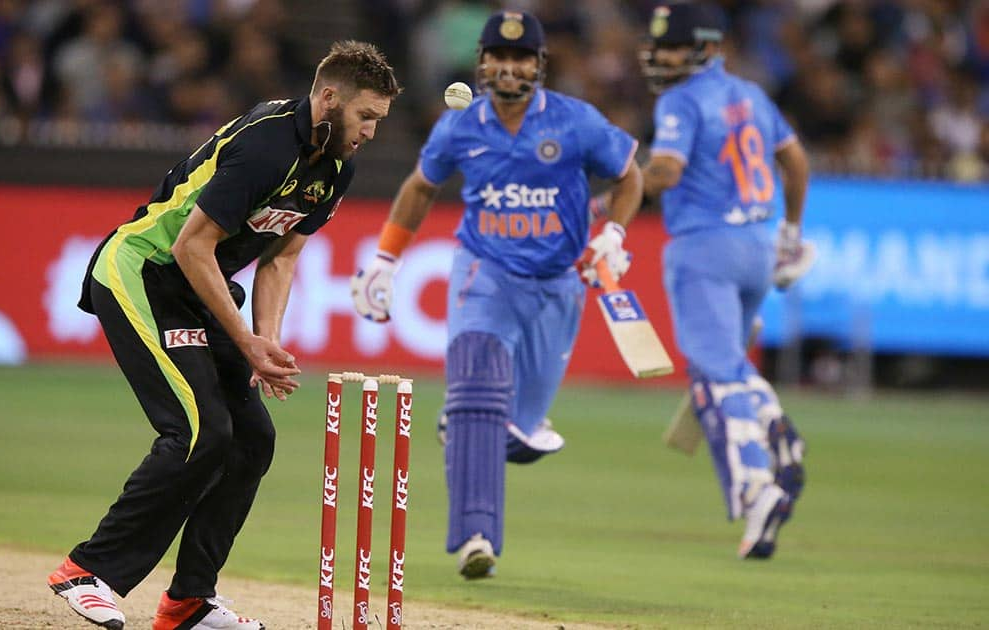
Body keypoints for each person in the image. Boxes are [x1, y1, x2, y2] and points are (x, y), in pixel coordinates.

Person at [47, 41, 400, 629]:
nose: (370, 131)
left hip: (199, 288)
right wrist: (244, 340)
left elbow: (280, 260)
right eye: (366, 116)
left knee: (250, 439)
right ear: (329, 97)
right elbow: (190, 244)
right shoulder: (266, 143)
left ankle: (188, 600)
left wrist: (267, 342)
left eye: (379, 121)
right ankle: (90, 571)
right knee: (197, 431)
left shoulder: (336, 167)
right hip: (143, 271)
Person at [351, 10, 642, 579]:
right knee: (478, 390)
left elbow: (631, 176)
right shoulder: (461, 125)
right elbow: (419, 187)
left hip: (559, 284)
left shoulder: (575, 121)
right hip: (485, 274)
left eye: (521, 58)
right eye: (499, 57)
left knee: (521, 430)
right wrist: (384, 261)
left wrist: (614, 234)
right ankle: (476, 535)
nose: (509, 68)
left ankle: (468, 426)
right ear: (482, 62)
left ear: (538, 65)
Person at [631, 2, 811, 558]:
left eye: (673, 46)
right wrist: (790, 233)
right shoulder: (752, 95)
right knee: (722, 371)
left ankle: (763, 473)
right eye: (658, 46)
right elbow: (797, 161)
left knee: (719, 370)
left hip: (703, 249)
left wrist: (615, 189)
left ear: (706, 47)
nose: (661, 56)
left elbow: (666, 171)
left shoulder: (681, 99)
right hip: (758, 248)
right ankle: (758, 487)